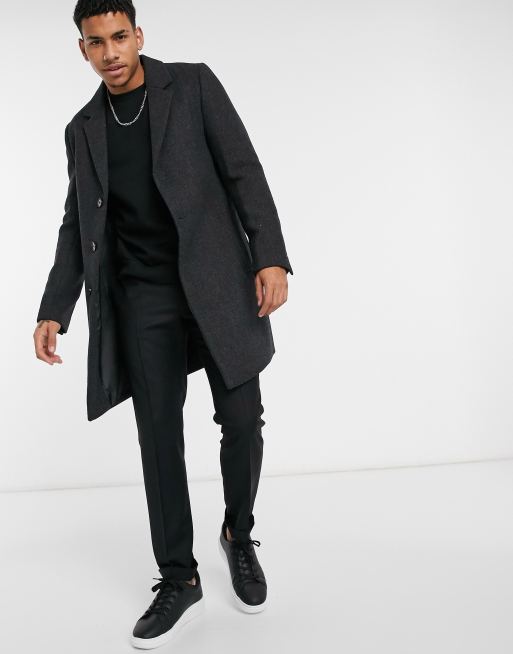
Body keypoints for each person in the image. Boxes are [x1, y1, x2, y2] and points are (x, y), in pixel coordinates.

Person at [33, 1, 293, 649]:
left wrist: (269, 255)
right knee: (158, 438)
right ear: (82, 50)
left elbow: (243, 169)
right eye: (96, 42)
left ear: (138, 35)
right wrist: (54, 307)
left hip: (217, 282)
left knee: (242, 420)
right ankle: (179, 576)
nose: (110, 52)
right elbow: (76, 224)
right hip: (143, 297)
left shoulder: (193, 84)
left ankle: (237, 533)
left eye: (119, 37)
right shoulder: (82, 129)